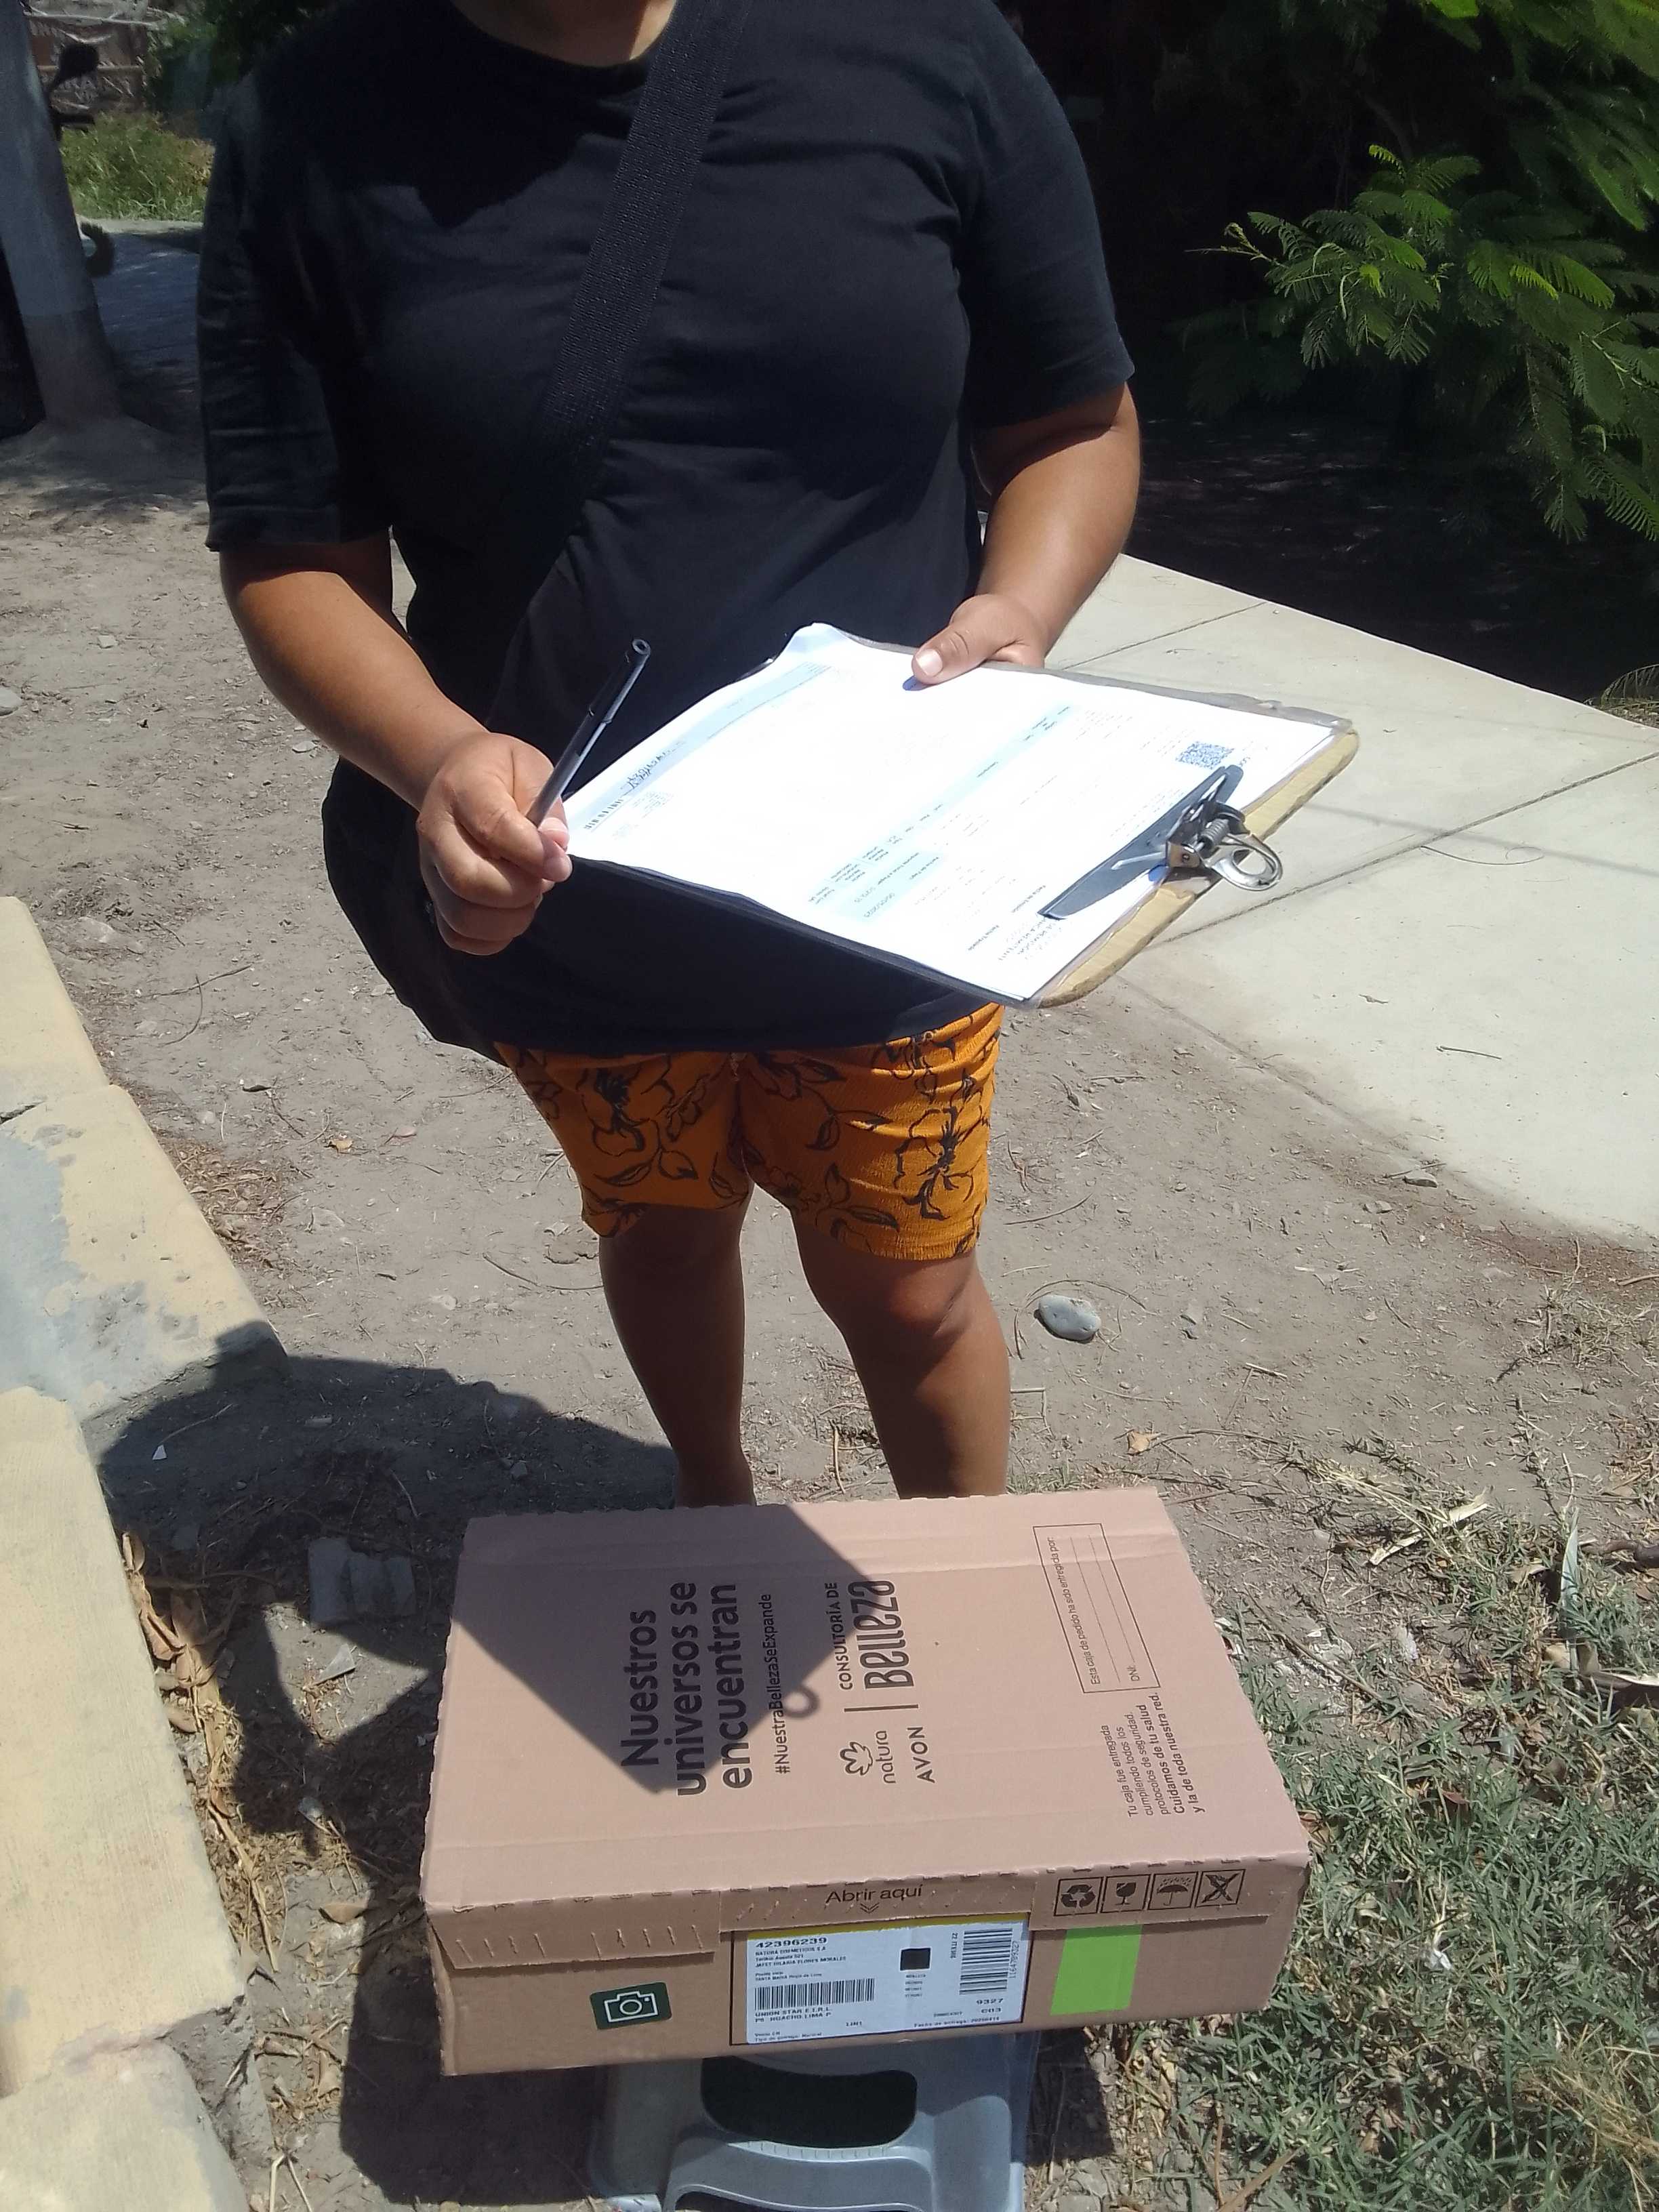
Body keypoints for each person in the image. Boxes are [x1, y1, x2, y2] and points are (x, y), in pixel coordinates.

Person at [199, 0, 1140, 1509]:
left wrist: (1018, 613)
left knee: (908, 1288)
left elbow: (1072, 419)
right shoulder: (312, 125)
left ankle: (965, 1591)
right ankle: (710, 1501)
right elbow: (291, 552)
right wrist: (440, 758)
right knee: (662, 1231)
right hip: (569, 894)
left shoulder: (924, 44)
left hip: (885, 880)